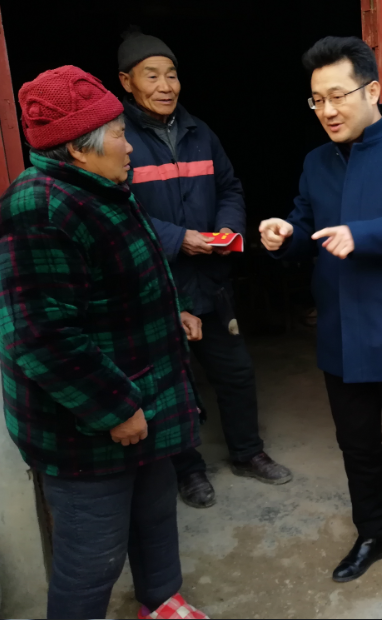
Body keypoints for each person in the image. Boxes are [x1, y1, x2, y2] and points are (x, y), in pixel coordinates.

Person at [260, 37, 382, 619]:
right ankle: (374, 534)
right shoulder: (316, 162)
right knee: (357, 449)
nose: (327, 110)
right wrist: (284, 236)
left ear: (372, 90)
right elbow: (306, 225)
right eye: (317, 100)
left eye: (338, 96)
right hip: (340, 335)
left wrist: (364, 235)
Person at [0, 66, 207, 620]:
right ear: (77, 147)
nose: (130, 144)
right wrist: (115, 408)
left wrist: (172, 310)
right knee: (92, 555)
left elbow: (118, 283)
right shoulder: (40, 209)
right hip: (88, 429)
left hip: (143, 397)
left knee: (155, 514)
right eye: (119, 134)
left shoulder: (99, 187)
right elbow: (41, 337)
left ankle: (161, 602)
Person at [117, 30, 292, 508]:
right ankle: (188, 470)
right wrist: (178, 239)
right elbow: (117, 210)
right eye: (152, 76)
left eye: (172, 75)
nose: (165, 85)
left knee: (235, 371)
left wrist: (227, 229)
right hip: (159, 284)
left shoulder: (200, 132)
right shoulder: (117, 140)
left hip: (210, 279)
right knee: (172, 382)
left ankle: (248, 452)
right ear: (126, 82)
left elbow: (230, 186)